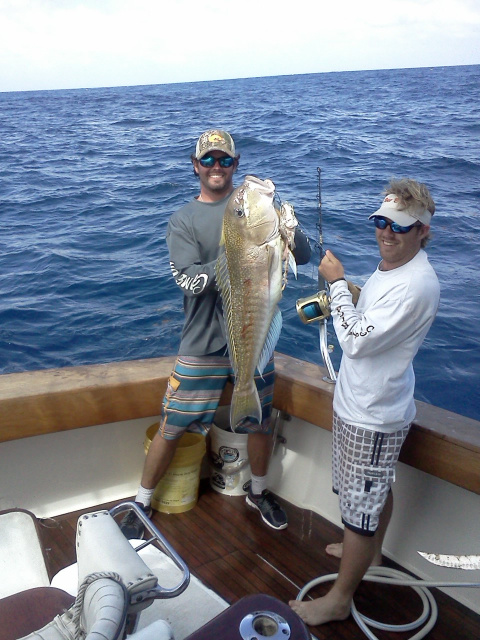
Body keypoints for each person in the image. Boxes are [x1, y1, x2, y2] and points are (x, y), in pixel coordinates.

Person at [121, 129, 311, 538]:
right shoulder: (183, 219)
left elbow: (304, 257)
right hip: (202, 343)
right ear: (195, 167)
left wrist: (291, 231)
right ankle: (141, 501)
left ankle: (258, 491)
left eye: (225, 160)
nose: (217, 167)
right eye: (208, 160)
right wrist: (234, 265)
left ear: (236, 164)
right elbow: (187, 280)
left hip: (253, 336)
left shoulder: (260, 209)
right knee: (173, 424)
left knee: (259, 423)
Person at [289, 178, 440, 626]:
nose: (386, 233)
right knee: (372, 494)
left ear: (423, 232)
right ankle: (370, 554)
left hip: (372, 418)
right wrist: (353, 293)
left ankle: (339, 598)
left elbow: (355, 343)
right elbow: (372, 322)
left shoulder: (417, 285)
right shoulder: (392, 269)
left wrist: (336, 287)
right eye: (381, 222)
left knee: (357, 512)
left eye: (400, 227)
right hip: (362, 406)